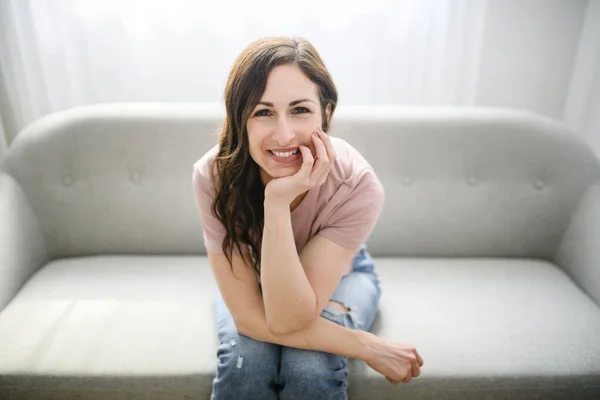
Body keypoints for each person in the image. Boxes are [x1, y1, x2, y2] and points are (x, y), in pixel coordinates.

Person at [192, 37, 424, 400]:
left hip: (345, 274)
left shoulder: (357, 183)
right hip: (250, 272)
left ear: (326, 113)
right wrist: (364, 344)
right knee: (245, 363)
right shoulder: (213, 176)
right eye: (262, 112)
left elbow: (287, 319)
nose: (283, 134)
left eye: (299, 110)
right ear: (240, 119)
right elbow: (253, 319)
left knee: (310, 367)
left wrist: (278, 203)